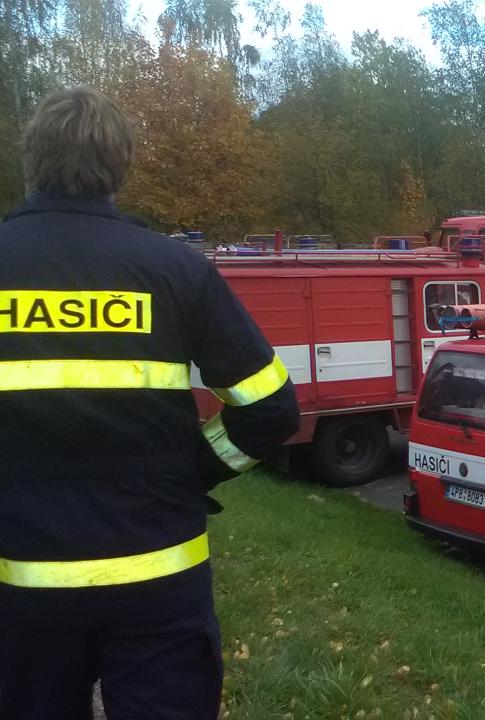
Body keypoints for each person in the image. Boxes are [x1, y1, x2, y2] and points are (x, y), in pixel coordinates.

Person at [0, 88, 300, 719]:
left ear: (32, 160)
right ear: (120, 165)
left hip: (21, 590)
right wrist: (196, 468)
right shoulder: (175, 269)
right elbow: (270, 409)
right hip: (160, 583)